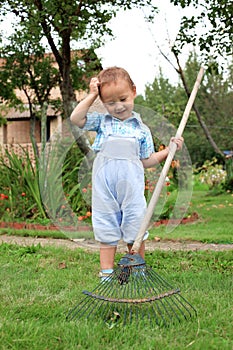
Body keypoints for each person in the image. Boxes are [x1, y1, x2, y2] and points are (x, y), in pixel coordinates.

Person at [70, 67, 183, 281]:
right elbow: (76, 118)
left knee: (135, 226)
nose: (118, 106)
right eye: (110, 102)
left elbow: (146, 160)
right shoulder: (102, 122)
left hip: (131, 186)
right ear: (103, 102)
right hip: (105, 188)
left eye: (123, 98)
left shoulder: (141, 130)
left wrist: (168, 151)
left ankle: (138, 269)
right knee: (106, 226)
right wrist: (92, 95)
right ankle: (106, 273)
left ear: (133, 91)